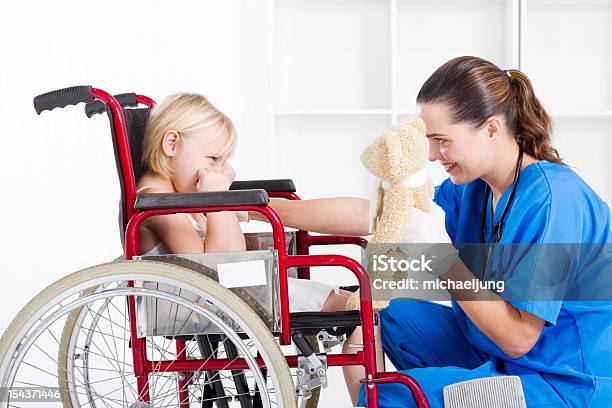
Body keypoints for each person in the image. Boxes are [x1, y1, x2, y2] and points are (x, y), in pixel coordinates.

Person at [260, 56, 612, 407]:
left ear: (491, 129)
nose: (431, 155)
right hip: (502, 352)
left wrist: (443, 260)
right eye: (429, 140)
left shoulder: (552, 201)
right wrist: (265, 211)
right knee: (384, 311)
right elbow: (382, 214)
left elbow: (519, 337)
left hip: (564, 381)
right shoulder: (475, 187)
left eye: (442, 140)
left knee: (399, 395)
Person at [136, 92, 351, 313]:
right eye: (213, 159)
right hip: (215, 301)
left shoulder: (177, 193)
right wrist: (218, 198)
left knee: (349, 298)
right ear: (172, 144)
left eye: (224, 161)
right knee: (356, 306)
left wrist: (219, 198)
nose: (221, 170)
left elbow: (233, 254)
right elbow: (213, 269)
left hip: (233, 293)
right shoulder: (158, 204)